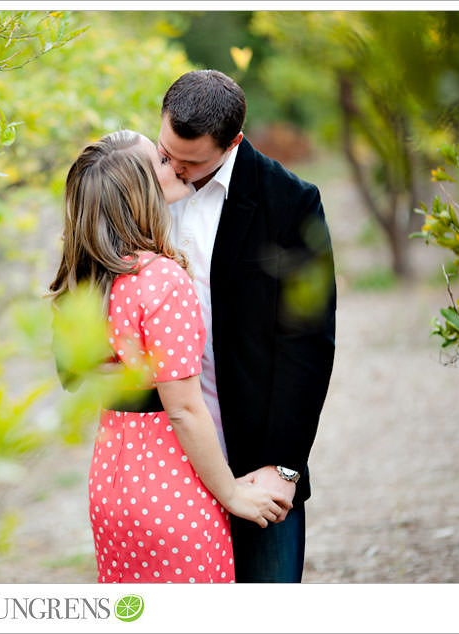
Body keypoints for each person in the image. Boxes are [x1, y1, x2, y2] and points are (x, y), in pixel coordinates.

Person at [49, 130, 282, 583]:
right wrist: (231, 493)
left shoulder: (86, 279)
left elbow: (78, 372)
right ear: (142, 193)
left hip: (113, 482)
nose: (173, 164)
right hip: (172, 487)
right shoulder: (161, 279)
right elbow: (184, 409)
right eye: (159, 159)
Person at [156, 70, 336, 582]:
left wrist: (284, 466)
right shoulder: (140, 184)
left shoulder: (290, 202)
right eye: (166, 152)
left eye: (190, 162)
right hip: (165, 453)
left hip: (254, 455)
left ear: (232, 141)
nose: (172, 168)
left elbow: (309, 344)